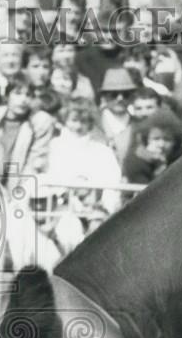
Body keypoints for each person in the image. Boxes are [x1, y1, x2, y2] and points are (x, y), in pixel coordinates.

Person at [44, 98, 123, 257]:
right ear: (65, 120)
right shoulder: (55, 146)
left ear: (90, 124)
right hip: (63, 209)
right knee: (67, 233)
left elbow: (113, 185)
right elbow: (49, 179)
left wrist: (103, 208)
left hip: (94, 210)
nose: (78, 126)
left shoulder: (102, 151)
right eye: (74, 120)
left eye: (84, 121)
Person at [0, 71, 55, 181]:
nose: (23, 100)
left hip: (21, 187)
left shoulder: (38, 122)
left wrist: (18, 193)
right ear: (7, 96)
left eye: (28, 95)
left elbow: (35, 162)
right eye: (18, 93)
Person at [123, 109, 182, 184]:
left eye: (167, 139)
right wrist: (159, 166)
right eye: (156, 139)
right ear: (147, 139)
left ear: (175, 142)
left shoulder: (181, 157)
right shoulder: (135, 159)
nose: (161, 145)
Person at [97, 68, 138, 160]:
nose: (120, 98)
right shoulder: (93, 124)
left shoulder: (139, 126)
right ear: (103, 97)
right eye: (114, 94)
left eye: (126, 94)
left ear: (132, 97)